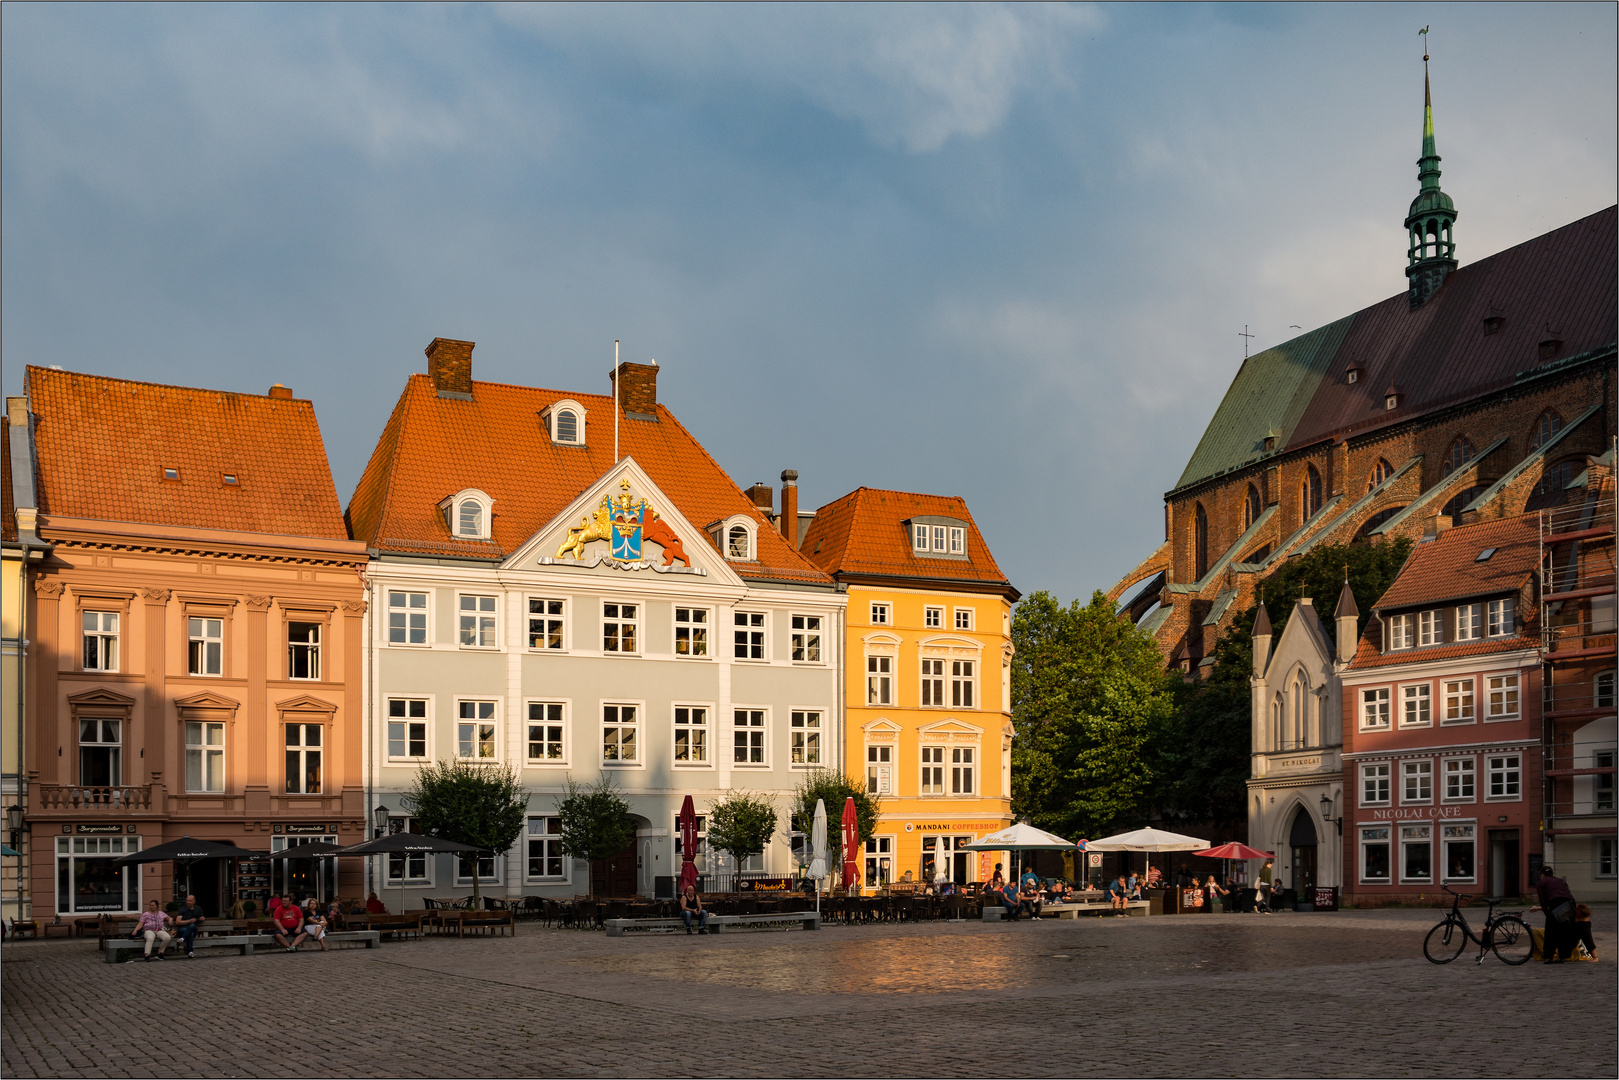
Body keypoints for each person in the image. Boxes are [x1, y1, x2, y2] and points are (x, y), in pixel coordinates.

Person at [1531, 865, 1577, 963]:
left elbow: (1543, 901)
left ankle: (1548, 957)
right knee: (1564, 930)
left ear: (1542, 875)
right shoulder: (1560, 880)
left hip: (1556, 902)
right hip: (1569, 903)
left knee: (1550, 931)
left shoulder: (1541, 883)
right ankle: (1563, 956)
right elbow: (1568, 893)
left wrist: (1547, 914)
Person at [173, 894, 205, 958]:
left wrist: (202, 918)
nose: (188, 902)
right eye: (187, 901)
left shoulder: (198, 909)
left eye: (190, 901)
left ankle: (182, 939)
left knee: (192, 926)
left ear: (194, 902)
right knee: (190, 933)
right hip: (183, 929)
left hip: (194, 928)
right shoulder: (182, 909)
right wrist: (189, 921)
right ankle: (190, 952)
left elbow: (202, 917)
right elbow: (177, 922)